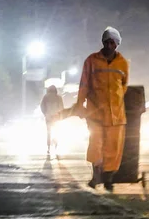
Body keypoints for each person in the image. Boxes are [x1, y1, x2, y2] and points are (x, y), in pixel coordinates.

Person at [76, 27, 129, 191]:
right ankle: (95, 176)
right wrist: (80, 105)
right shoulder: (91, 61)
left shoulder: (123, 63)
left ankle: (108, 179)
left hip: (116, 115)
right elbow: (84, 84)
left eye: (112, 42)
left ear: (117, 44)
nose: (108, 45)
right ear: (103, 42)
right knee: (95, 145)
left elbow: (123, 86)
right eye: (106, 41)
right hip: (95, 114)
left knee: (113, 148)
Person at [40, 85, 65, 154]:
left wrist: (45, 113)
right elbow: (62, 107)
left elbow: (42, 106)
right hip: (56, 117)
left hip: (48, 117)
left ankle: (48, 147)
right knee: (57, 131)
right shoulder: (58, 97)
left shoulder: (45, 97)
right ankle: (56, 144)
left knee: (49, 133)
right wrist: (60, 115)